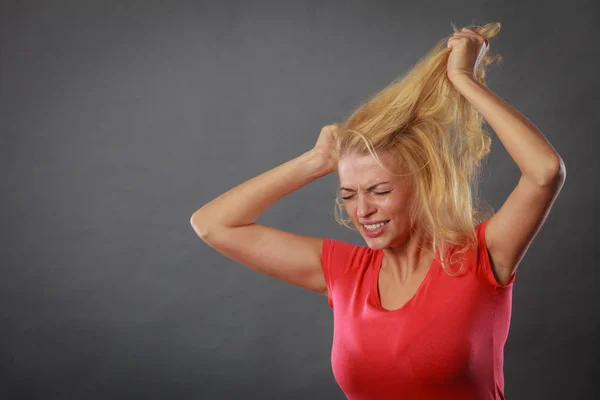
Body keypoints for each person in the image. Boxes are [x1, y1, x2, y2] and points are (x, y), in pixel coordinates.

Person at [190, 22, 565, 400]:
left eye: (380, 190)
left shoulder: (482, 258)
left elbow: (544, 172)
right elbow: (212, 224)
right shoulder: (344, 272)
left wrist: (465, 79)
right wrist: (316, 160)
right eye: (348, 194)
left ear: (423, 188)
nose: (363, 210)